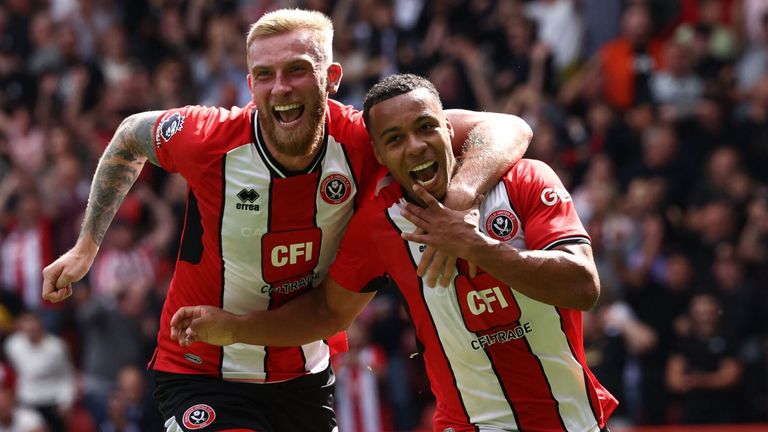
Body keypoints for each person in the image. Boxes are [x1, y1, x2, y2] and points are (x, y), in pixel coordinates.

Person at [41, 8, 532, 432]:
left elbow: (508, 126)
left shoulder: (364, 139)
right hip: (201, 369)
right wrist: (87, 245)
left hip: (304, 372)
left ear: (331, 77)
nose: (281, 88)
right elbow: (131, 135)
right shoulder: (209, 139)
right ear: (249, 81)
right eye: (265, 74)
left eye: (297, 70)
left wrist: (461, 199)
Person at [171, 73, 618, 431]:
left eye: (426, 127)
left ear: (449, 127)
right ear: (381, 155)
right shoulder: (379, 223)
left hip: (573, 418)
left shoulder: (524, 181)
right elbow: (329, 312)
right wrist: (238, 329)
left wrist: (473, 244)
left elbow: (583, 286)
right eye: (395, 139)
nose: (416, 146)